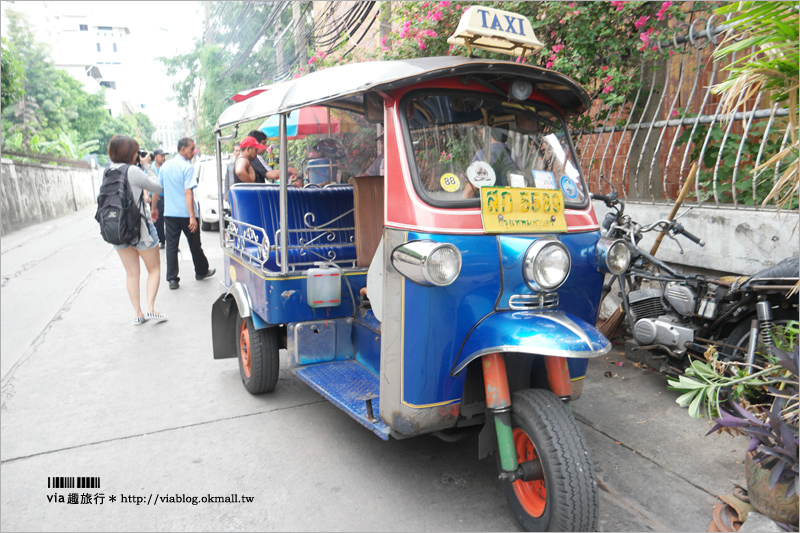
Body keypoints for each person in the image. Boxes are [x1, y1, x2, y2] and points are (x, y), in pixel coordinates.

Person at [105, 135, 167, 325]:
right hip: (140, 229)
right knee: (154, 269)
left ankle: (138, 313)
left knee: (131, 273)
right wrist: (147, 165)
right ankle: (150, 308)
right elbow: (156, 186)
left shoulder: (107, 171)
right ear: (130, 152)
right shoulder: (133, 170)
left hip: (117, 229)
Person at [160, 137, 215, 290]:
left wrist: (155, 207)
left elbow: (160, 187)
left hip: (170, 213)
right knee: (194, 244)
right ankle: (201, 271)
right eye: (191, 149)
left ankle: (172, 279)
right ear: (182, 149)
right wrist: (192, 216)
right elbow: (188, 192)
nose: (193, 152)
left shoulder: (165, 166)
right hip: (186, 213)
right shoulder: (187, 167)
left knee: (171, 246)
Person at [462, 127, 520, 199]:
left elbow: (470, 190)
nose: (481, 135)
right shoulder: (513, 157)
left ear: (488, 134)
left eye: (482, 133)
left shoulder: (482, 155)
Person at [148, 149, 168, 248]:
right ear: (155, 157)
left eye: (164, 156)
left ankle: (172, 242)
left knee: (169, 221)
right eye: (161, 156)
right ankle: (161, 240)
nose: (163, 158)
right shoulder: (150, 169)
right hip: (156, 199)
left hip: (167, 198)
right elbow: (145, 182)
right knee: (158, 222)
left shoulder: (167, 168)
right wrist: (146, 195)